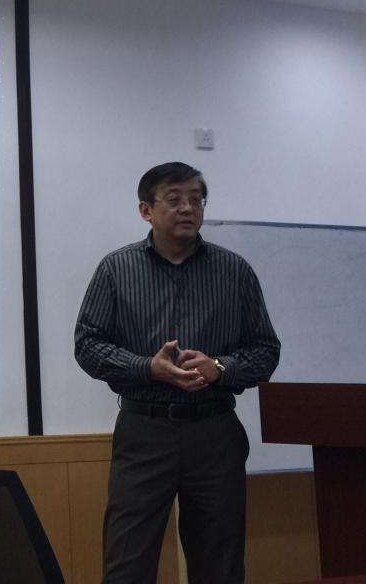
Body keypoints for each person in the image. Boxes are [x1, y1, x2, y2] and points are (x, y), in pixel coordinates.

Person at [74, 162, 281, 584]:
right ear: (146, 210)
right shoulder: (116, 269)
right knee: (128, 560)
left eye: (196, 199)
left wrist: (220, 368)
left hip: (215, 431)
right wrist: (146, 368)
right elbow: (88, 346)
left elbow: (265, 350)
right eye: (174, 199)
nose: (188, 208)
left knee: (219, 561)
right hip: (144, 432)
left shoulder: (234, 271)